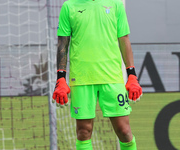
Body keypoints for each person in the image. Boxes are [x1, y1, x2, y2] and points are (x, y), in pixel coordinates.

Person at [52, 0, 142, 149]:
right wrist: (60, 79)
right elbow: (63, 43)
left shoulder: (116, 4)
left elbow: (124, 39)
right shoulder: (69, 6)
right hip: (81, 79)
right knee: (83, 132)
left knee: (124, 131)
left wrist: (131, 74)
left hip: (112, 77)